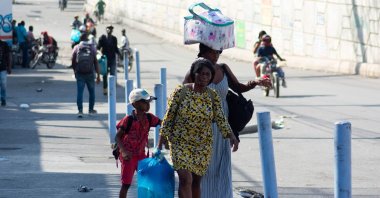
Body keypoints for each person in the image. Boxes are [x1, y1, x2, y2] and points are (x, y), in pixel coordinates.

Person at [183, 43, 271, 198]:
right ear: (204, 51)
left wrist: (256, 82)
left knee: (222, 165)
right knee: (204, 166)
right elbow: (182, 96)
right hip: (201, 126)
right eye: (213, 51)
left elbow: (238, 87)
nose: (217, 54)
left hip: (223, 124)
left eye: (219, 51)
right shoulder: (195, 71)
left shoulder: (223, 68)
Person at [159, 58, 239, 198]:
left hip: (202, 145)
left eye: (207, 74)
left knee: (196, 182)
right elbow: (169, 116)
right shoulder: (181, 92)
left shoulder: (212, 96)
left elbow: (221, 118)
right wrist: (161, 140)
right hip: (180, 142)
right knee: (185, 179)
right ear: (193, 74)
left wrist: (231, 135)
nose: (204, 77)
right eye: (201, 73)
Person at [115, 88, 161, 198]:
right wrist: (124, 152)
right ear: (135, 104)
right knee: (126, 184)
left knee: (146, 181)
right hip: (128, 157)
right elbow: (117, 137)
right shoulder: (128, 120)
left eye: (149, 102)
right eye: (145, 102)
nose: (148, 105)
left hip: (141, 155)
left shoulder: (149, 118)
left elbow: (163, 124)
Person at [71, 34, 101, 118]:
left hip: (80, 73)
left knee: (80, 92)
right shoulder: (91, 47)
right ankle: (91, 110)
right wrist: (98, 75)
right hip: (90, 73)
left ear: (80, 39)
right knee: (91, 92)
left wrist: (75, 71)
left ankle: (80, 111)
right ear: (87, 39)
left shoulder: (77, 47)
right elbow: (95, 62)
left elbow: (73, 60)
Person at [97, 25, 120, 95]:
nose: (109, 30)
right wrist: (99, 54)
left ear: (112, 30)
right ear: (106, 30)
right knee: (105, 74)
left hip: (112, 58)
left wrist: (120, 54)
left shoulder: (114, 39)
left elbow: (116, 48)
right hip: (105, 60)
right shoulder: (102, 38)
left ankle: (112, 89)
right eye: (108, 29)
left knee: (113, 75)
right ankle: (105, 89)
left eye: (111, 29)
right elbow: (98, 47)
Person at [0, 39, 12, 106]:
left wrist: (9, 67)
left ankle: (3, 99)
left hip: (3, 68)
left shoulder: (4, 44)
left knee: (3, 84)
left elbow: (9, 56)